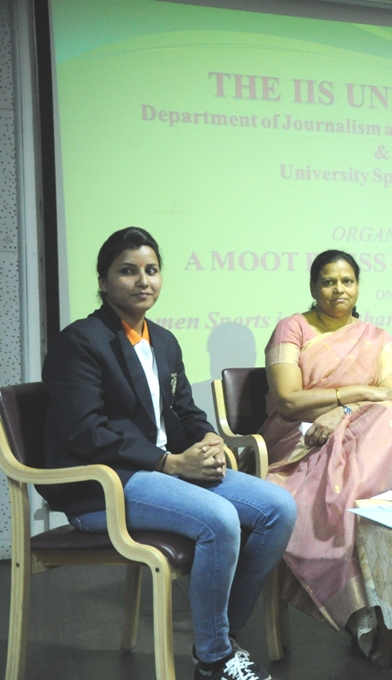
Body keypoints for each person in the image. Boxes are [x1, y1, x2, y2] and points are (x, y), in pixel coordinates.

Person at [42, 227, 296, 680]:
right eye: (128, 271)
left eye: (152, 270)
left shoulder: (163, 340)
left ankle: (220, 635)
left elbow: (184, 411)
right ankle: (214, 659)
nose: (143, 281)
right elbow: (84, 432)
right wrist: (169, 462)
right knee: (219, 519)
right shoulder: (79, 341)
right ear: (103, 282)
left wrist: (209, 439)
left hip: (163, 473)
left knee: (279, 507)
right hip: (103, 484)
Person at [259, 249, 392, 660]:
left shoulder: (376, 338)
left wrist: (342, 412)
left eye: (347, 281)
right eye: (328, 281)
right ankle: (370, 614)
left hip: (363, 437)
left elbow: (390, 399)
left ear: (358, 287)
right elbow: (288, 400)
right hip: (302, 441)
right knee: (382, 457)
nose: (338, 289)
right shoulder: (293, 328)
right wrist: (357, 393)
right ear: (313, 287)